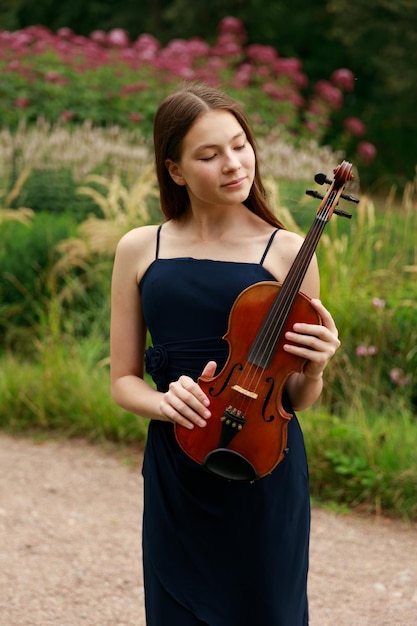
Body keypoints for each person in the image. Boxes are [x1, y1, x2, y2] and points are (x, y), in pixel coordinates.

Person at [110, 83, 341, 626]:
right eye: (209, 155)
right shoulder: (141, 248)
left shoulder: (287, 251)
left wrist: (318, 366)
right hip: (177, 468)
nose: (234, 164)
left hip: (264, 466)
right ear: (176, 171)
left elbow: (294, 398)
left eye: (239, 145)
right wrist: (165, 403)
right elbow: (122, 380)